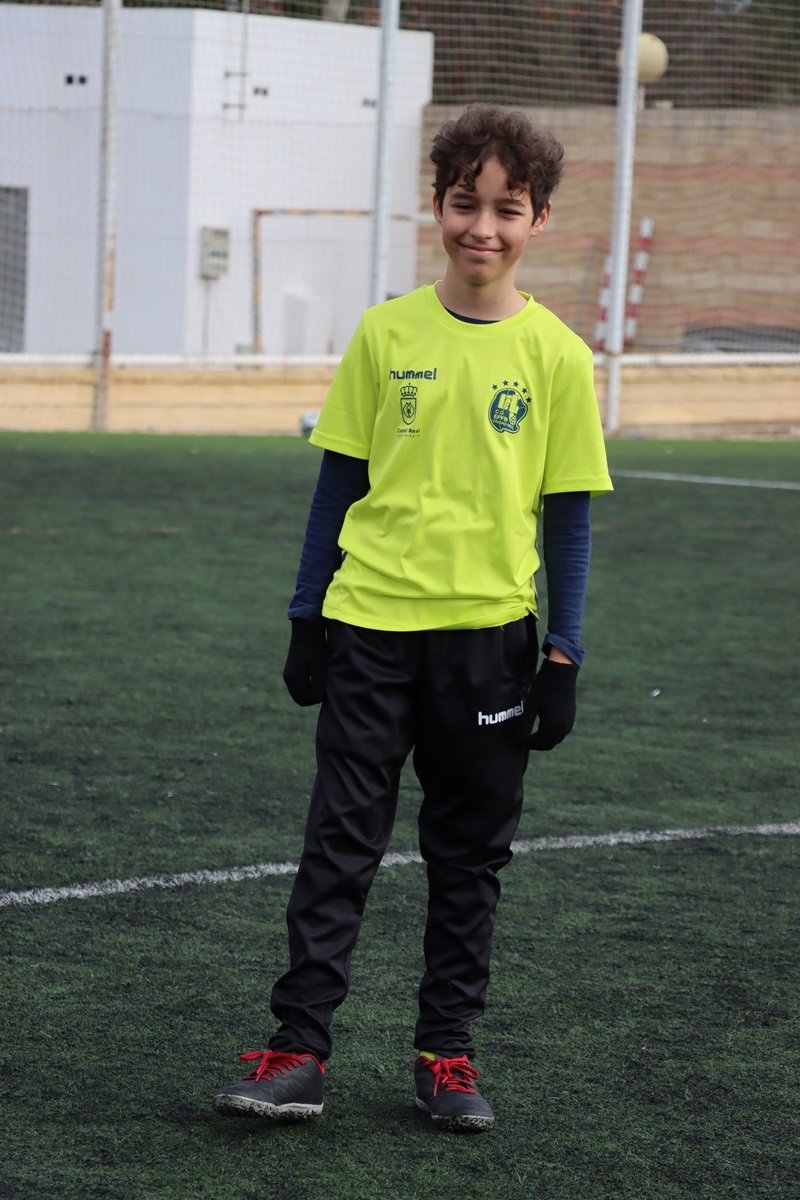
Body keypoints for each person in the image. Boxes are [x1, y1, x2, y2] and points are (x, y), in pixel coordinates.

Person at [213, 103, 613, 1132]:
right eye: (464, 203)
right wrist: (306, 616)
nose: (482, 227)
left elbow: (567, 519)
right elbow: (336, 487)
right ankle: (298, 1050)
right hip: (369, 629)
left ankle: (446, 1056)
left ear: (538, 220)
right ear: (436, 205)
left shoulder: (558, 356)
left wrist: (563, 653)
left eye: (506, 210)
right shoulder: (385, 333)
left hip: (489, 643)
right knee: (338, 843)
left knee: (467, 857)